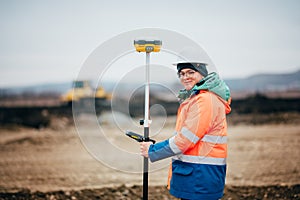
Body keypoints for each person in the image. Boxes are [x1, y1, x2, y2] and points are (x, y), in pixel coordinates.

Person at [140, 60, 231, 199]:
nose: (185, 77)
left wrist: (153, 150)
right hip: (197, 175)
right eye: (181, 74)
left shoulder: (205, 101)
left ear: (202, 74)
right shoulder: (196, 98)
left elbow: (186, 140)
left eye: (191, 72)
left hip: (200, 176)